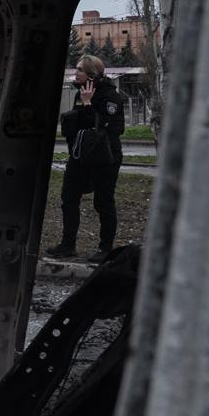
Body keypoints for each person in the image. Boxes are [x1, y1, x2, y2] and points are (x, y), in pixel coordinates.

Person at [47, 54, 124, 262]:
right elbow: (79, 125)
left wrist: (89, 105)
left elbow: (112, 129)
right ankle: (67, 245)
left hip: (105, 158)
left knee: (103, 201)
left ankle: (105, 248)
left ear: (92, 74)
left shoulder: (110, 97)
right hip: (80, 156)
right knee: (69, 198)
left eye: (80, 69)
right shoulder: (79, 94)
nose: (76, 72)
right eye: (76, 68)